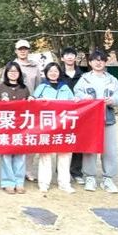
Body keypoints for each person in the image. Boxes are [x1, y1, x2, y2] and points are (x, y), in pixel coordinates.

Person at [74, 49, 118, 193]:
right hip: (89, 120)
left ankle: (108, 178)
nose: (98, 62)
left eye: (101, 60)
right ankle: (90, 177)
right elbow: (77, 94)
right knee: (90, 148)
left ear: (105, 62)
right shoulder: (84, 79)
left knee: (109, 150)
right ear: (90, 62)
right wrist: (85, 98)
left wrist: (112, 100)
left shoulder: (112, 80)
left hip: (108, 119)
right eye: (95, 60)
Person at [32, 62, 76, 194]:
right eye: (50, 71)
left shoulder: (65, 88)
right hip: (46, 126)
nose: (53, 73)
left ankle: (64, 183)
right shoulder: (42, 87)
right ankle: (44, 183)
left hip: (63, 125)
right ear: (46, 73)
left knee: (65, 155)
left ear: (59, 73)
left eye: (56, 71)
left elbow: (74, 103)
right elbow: (33, 102)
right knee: (45, 155)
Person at [0, 61, 32, 194]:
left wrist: (31, 100)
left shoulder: (24, 88)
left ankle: (19, 182)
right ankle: (8, 182)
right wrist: (0, 102)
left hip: (21, 126)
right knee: (6, 155)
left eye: (16, 71)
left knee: (20, 154)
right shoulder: (0, 87)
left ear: (19, 73)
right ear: (6, 73)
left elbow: (30, 106)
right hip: (5, 125)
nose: (13, 73)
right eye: (10, 71)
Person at [14, 39, 41, 182]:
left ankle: (28, 170)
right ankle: (16, 170)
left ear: (29, 50)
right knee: (16, 139)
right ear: (16, 51)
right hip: (15, 109)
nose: (23, 51)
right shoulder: (11, 66)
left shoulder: (35, 67)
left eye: (25, 48)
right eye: (20, 49)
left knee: (31, 139)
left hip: (31, 108)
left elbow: (39, 86)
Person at [60, 47, 86, 185]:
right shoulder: (57, 74)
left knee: (77, 140)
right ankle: (62, 171)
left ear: (76, 58)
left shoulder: (83, 75)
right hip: (61, 113)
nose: (69, 57)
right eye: (67, 55)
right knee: (62, 141)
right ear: (62, 58)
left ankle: (76, 172)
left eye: (72, 55)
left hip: (79, 113)